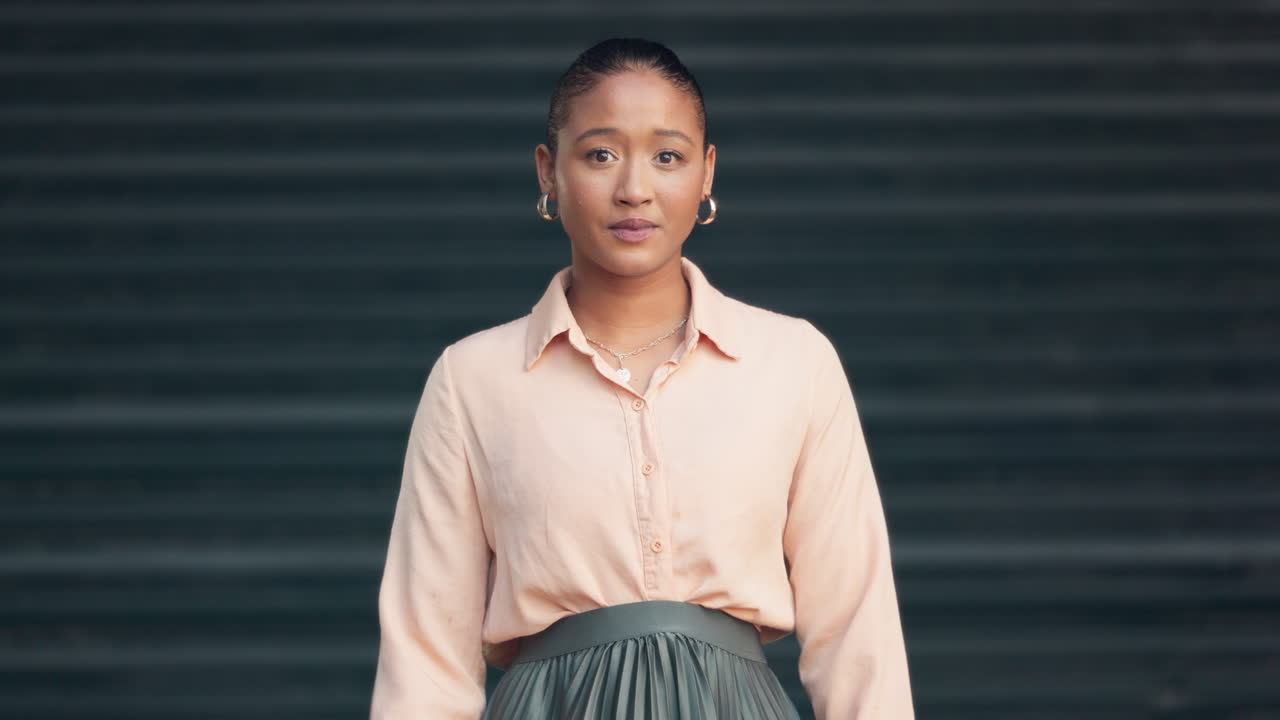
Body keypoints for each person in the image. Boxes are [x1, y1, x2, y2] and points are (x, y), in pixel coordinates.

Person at [368, 37, 916, 720]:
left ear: (707, 172)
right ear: (549, 172)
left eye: (668, 156)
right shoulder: (473, 379)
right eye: (601, 154)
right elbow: (426, 657)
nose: (635, 189)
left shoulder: (793, 362)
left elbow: (857, 627)